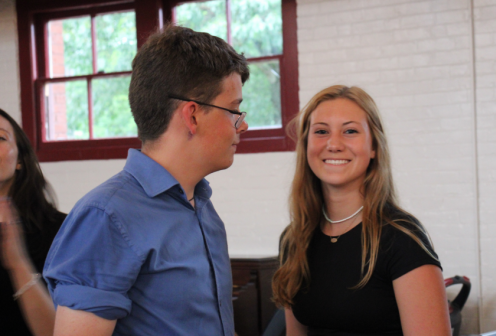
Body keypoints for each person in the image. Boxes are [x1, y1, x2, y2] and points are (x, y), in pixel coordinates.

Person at [43, 25, 249, 336]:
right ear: (192, 115)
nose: (243, 125)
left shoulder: (202, 207)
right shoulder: (105, 217)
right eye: (234, 111)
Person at [272, 85, 452, 336]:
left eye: (350, 131)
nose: (333, 144)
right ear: (305, 145)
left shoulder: (401, 238)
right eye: (321, 131)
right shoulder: (294, 239)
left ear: (374, 147)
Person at [0, 108, 67, 336]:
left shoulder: (61, 232)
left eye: (0, 137)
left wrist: (17, 262)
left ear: (19, 158)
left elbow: (59, 331)